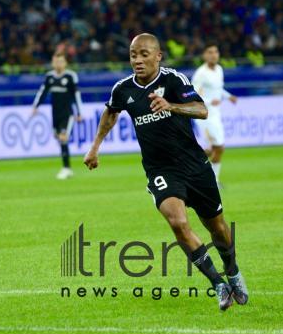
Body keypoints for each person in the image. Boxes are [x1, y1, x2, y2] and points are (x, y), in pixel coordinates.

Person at [84, 33, 248, 311]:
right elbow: (111, 113)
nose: (138, 60)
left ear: (158, 56)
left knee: (217, 227)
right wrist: (95, 147)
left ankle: (232, 271)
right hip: (161, 170)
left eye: (144, 54)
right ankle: (218, 284)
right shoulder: (123, 89)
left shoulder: (174, 80)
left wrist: (171, 105)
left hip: (194, 165)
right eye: (133, 55)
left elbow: (202, 109)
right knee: (177, 222)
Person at [32, 52, 84, 179]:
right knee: (59, 138)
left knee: (63, 138)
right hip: (55, 115)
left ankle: (66, 168)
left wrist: (79, 112)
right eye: (55, 61)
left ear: (65, 63)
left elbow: (76, 95)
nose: (58, 64)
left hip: (68, 114)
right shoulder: (49, 77)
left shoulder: (71, 76)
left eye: (60, 61)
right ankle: (67, 167)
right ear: (52, 63)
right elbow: (42, 92)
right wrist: (35, 106)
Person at [192, 44, 237, 186]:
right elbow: (193, 93)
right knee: (219, 147)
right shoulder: (201, 73)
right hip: (205, 115)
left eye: (216, 51)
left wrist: (228, 96)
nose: (213, 55)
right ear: (204, 55)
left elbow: (218, 88)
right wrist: (210, 101)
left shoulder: (219, 70)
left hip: (216, 114)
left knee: (211, 150)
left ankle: (198, 173)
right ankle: (213, 180)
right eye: (210, 52)